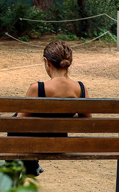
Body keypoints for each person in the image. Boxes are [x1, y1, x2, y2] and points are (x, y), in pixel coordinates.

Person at [11, 40, 90, 176]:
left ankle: (26, 168)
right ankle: (31, 166)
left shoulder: (37, 88)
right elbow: (87, 119)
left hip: (37, 146)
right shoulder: (80, 88)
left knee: (14, 121)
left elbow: (19, 122)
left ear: (47, 62)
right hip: (60, 144)